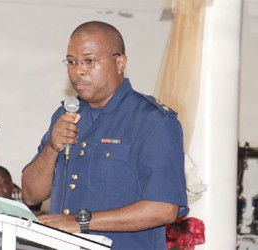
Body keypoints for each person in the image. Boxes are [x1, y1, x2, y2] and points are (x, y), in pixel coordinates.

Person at [21, 21, 187, 249]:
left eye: (89, 61)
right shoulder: (66, 114)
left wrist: (81, 222)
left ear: (120, 63)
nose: (78, 71)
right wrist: (52, 148)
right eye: (71, 62)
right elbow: (31, 195)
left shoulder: (153, 121)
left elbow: (164, 208)